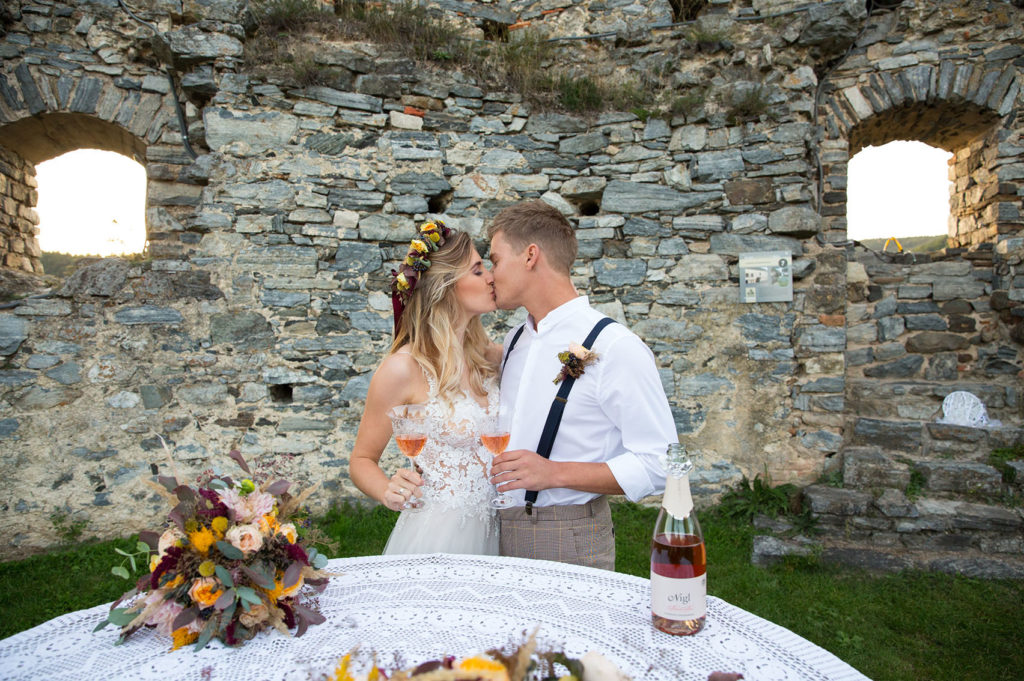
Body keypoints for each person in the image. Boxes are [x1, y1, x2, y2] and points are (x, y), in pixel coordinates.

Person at [487, 200, 677, 570]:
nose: (491, 275)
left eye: (495, 260)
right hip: (497, 533)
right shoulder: (514, 340)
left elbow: (661, 463)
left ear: (530, 256)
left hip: (568, 538)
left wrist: (554, 473)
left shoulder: (615, 347)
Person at [349, 220, 503, 555]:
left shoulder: (490, 357)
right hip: (439, 538)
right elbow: (361, 459)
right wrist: (387, 490)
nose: (491, 277)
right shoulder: (404, 367)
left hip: (499, 531)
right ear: (445, 286)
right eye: (477, 270)